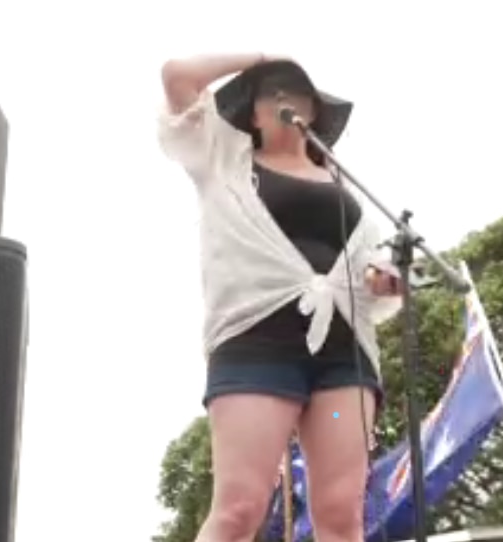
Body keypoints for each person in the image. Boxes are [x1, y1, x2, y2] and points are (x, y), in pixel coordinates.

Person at [158, 53, 403, 542]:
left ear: (312, 111)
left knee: (340, 512)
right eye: (271, 93)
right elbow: (176, 75)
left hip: (341, 363)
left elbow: (364, 266)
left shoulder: (343, 182)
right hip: (258, 352)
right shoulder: (223, 161)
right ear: (253, 114)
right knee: (239, 508)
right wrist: (261, 59)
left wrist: (383, 280)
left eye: (296, 93)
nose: (284, 100)